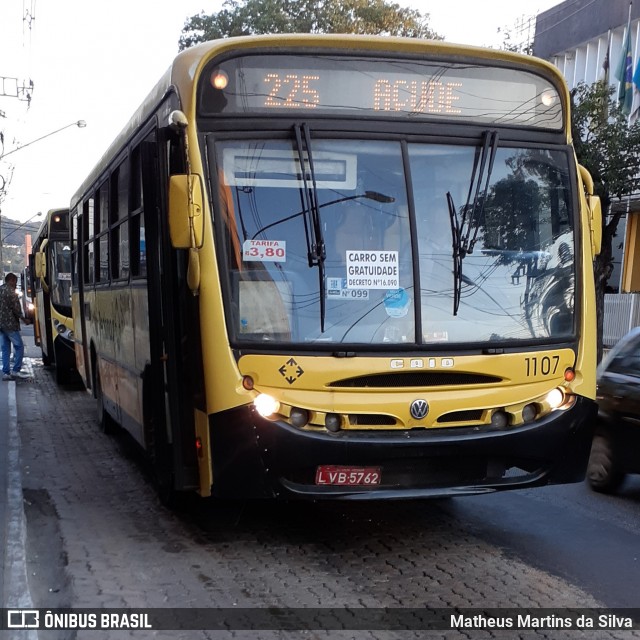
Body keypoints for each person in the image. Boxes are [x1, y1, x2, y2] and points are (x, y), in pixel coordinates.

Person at [0, 272, 29, 380]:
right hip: (10, 324)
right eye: (15, 282)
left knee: (5, 349)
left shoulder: (0, 289)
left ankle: (6, 373)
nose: (15, 285)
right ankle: (16, 370)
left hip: (1, 325)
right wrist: (24, 319)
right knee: (19, 346)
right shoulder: (11, 292)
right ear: (11, 280)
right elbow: (16, 309)